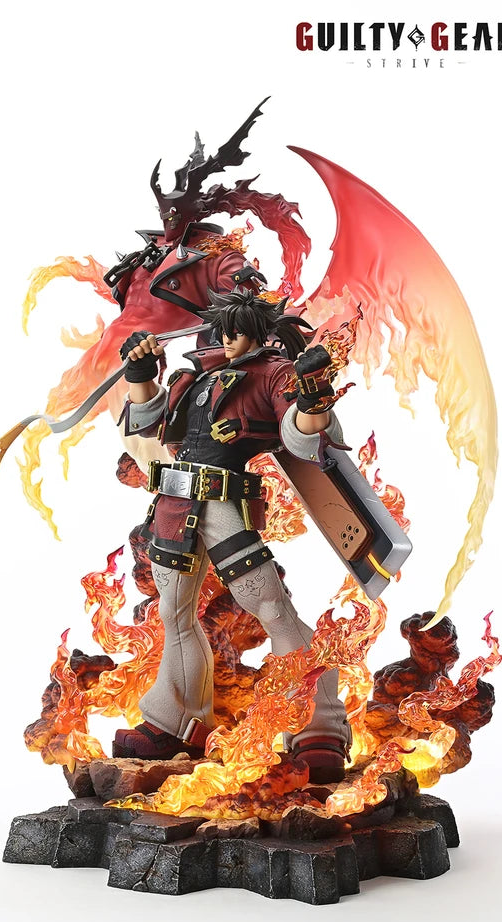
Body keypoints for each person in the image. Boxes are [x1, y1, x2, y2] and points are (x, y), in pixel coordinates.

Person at [112, 287, 353, 783]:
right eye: (224, 330)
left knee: (271, 609)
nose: (228, 340)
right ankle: (174, 722)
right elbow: (151, 422)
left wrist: (313, 395)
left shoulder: (274, 374)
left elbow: (302, 434)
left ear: (259, 333)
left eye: (238, 332)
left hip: (223, 506)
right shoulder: (196, 375)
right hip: (173, 505)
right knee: (173, 614)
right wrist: (141, 374)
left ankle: (320, 727)